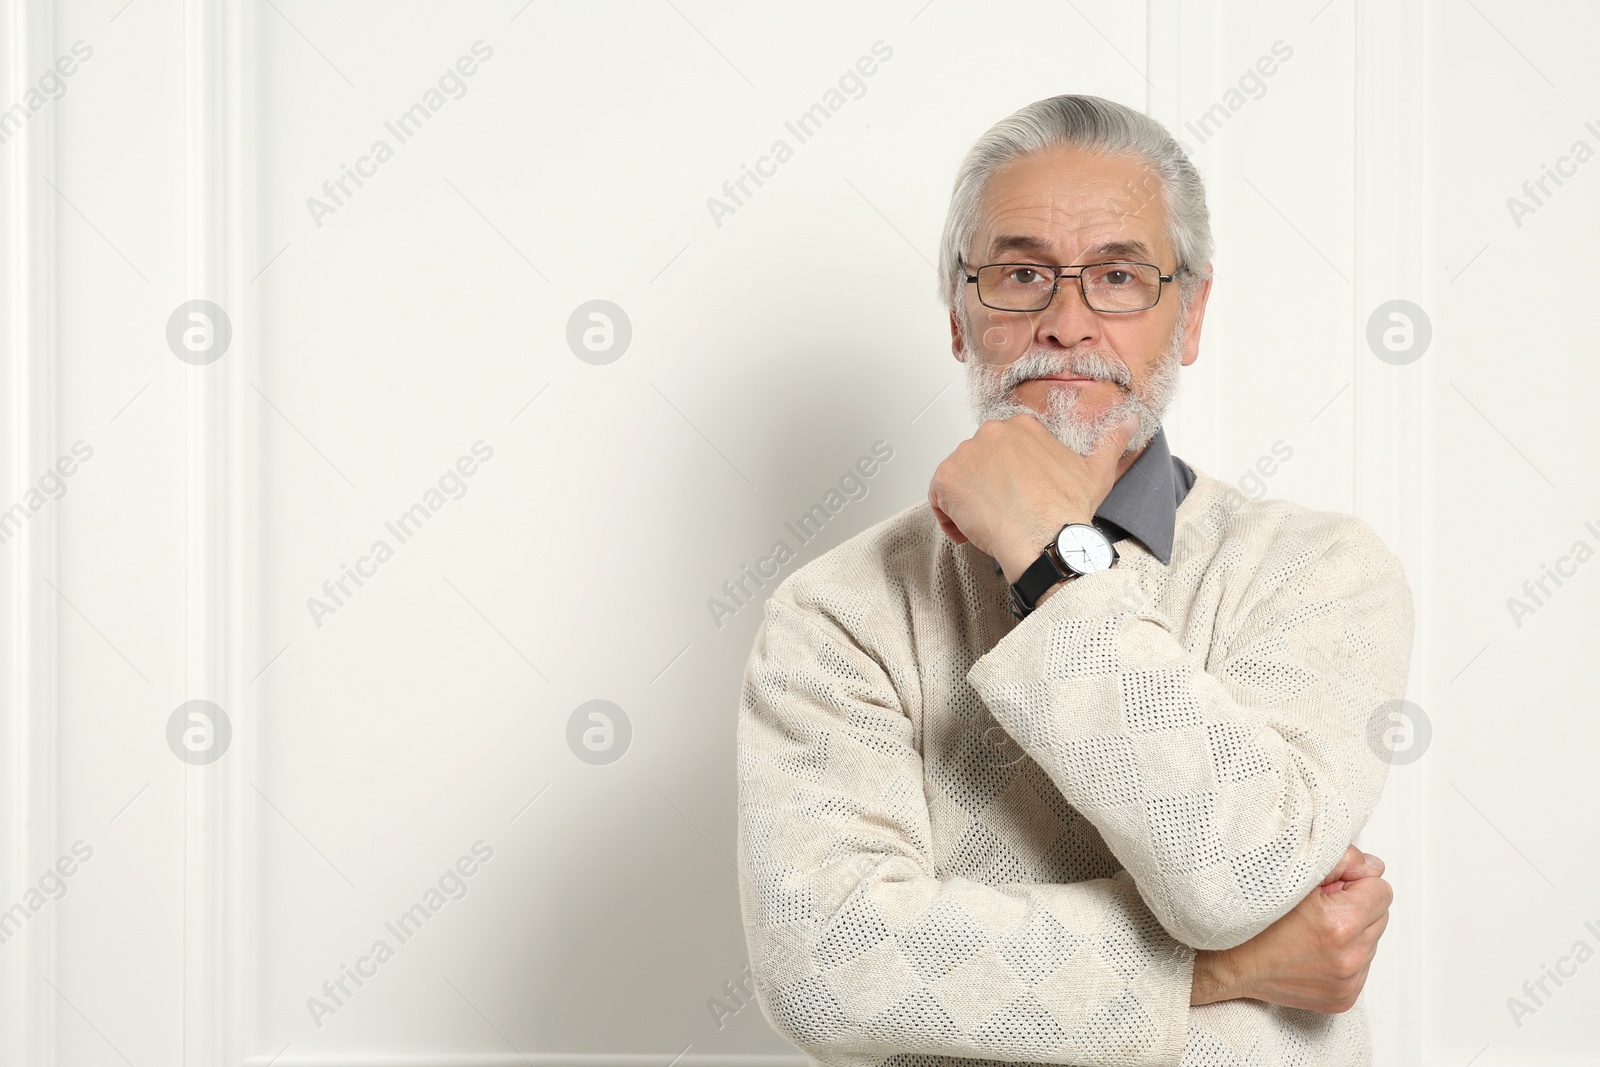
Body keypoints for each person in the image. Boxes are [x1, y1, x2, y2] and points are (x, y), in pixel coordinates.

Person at [733, 93, 1415, 1066]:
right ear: (961, 318)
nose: (1066, 321)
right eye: (1020, 274)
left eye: (1118, 276)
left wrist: (1050, 552)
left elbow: (1234, 870)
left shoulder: (1320, 573)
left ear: (1189, 316)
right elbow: (829, 962)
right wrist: (1214, 970)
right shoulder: (835, 613)